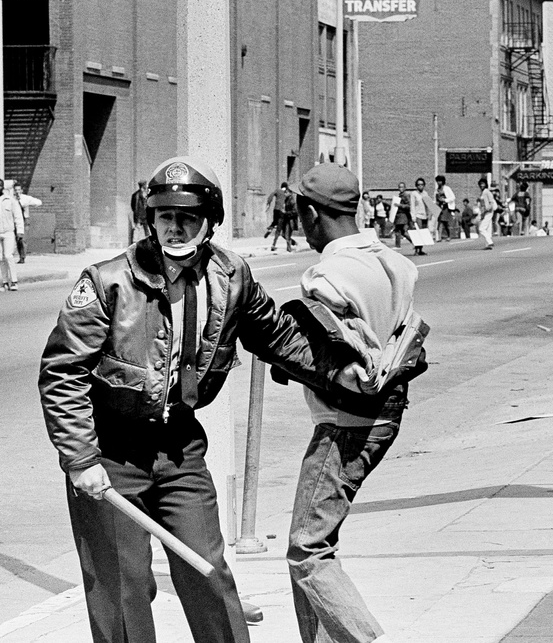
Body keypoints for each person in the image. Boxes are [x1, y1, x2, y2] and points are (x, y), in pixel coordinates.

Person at [38, 156, 369, 643]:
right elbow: (63, 371)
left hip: (179, 448)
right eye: (164, 216)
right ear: (148, 219)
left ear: (208, 221)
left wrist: (342, 374)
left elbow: (277, 337)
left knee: (209, 572)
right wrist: (81, 458)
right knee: (122, 591)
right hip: (109, 452)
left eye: (187, 217)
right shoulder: (107, 281)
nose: (174, 227)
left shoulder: (231, 277)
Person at [287, 163, 427, 643]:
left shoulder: (326, 276)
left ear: (309, 212)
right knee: (312, 546)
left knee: (308, 551)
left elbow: (324, 352)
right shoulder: (394, 262)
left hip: (344, 423)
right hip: (387, 414)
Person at [0, 178, 24, 292]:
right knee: (1, 258)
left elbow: (17, 216)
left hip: (8, 232)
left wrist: (20, 231)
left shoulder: (10, 200)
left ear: (3, 187)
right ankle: (5, 282)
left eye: (0, 185)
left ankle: (14, 281)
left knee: (8, 256)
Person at [13, 184, 42, 263]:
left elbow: (39, 202)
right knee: (18, 239)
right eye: (15, 190)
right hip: (16, 221)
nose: (17, 192)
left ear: (21, 190)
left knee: (23, 239)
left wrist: (27, 203)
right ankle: (20, 255)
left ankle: (23, 257)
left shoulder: (25, 198)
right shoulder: (12, 200)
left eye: (19, 190)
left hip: (25, 220)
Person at [269, 182, 299, 252]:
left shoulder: (292, 201)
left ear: (289, 193)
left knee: (287, 235)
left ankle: (289, 250)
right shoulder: (286, 200)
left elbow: (295, 212)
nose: (284, 194)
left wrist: (286, 213)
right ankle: (294, 243)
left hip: (290, 220)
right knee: (283, 235)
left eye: (286, 192)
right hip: (285, 219)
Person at [409, 177, 430, 255]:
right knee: (418, 233)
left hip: (424, 216)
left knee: (423, 233)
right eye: (418, 185)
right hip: (418, 216)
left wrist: (429, 214)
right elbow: (412, 205)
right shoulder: (414, 194)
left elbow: (428, 205)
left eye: (422, 184)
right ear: (416, 186)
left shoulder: (425, 193)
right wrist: (413, 216)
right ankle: (417, 250)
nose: (420, 186)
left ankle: (421, 249)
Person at [389, 182, 412, 250]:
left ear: (405, 188)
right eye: (399, 187)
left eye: (402, 187)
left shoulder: (406, 195)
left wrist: (400, 205)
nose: (400, 188)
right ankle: (414, 242)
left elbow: (409, 206)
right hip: (398, 215)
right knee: (403, 232)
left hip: (402, 215)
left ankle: (398, 245)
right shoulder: (400, 195)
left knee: (398, 230)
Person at [476, 177, 495, 250]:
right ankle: (488, 245)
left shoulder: (487, 191)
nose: (481, 185)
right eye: (480, 184)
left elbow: (491, 201)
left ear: (486, 184)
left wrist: (488, 209)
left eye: (483, 184)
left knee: (481, 228)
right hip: (485, 211)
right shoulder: (483, 192)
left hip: (488, 211)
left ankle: (490, 242)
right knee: (488, 229)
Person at [129, 180, 149, 245]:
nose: (147, 186)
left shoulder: (145, 194)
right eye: (145, 185)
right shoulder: (136, 195)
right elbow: (133, 206)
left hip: (145, 215)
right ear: (143, 186)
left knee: (147, 230)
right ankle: (135, 244)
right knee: (138, 230)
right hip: (139, 216)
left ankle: (147, 244)